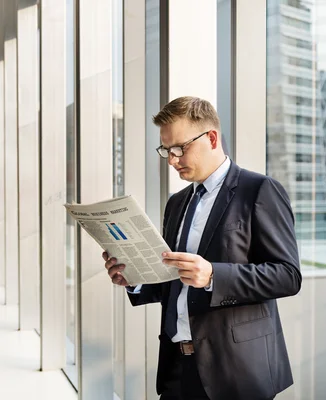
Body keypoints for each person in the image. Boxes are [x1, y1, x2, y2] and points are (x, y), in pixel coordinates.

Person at [102, 96, 302, 400]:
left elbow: (288, 275)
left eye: (180, 148)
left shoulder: (259, 190)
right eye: (166, 150)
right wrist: (135, 278)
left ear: (211, 138)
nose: (172, 159)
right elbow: (175, 279)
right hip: (176, 366)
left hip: (236, 371)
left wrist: (212, 276)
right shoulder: (177, 202)